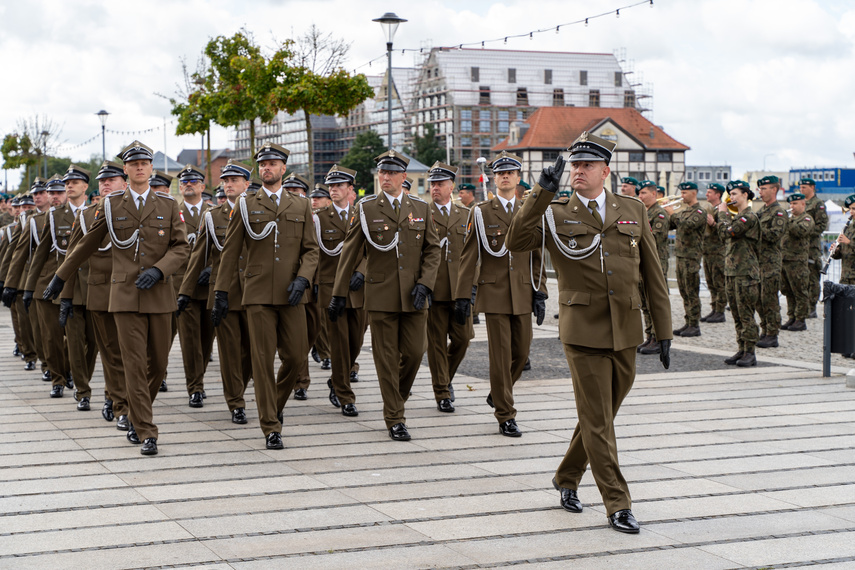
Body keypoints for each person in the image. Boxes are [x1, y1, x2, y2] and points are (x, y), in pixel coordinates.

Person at [507, 131, 671, 534]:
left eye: (587, 165)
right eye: (574, 165)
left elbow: (652, 273)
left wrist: (663, 330)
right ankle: (618, 502)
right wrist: (541, 193)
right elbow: (516, 241)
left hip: (627, 329)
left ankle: (566, 477)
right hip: (583, 331)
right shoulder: (555, 211)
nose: (578, 171)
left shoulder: (632, 208)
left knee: (599, 416)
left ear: (605, 170)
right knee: (599, 421)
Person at [45, 141, 190, 456]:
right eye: (133, 163)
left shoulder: (167, 205)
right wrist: (60, 277)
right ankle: (146, 429)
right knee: (134, 364)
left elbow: (181, 247)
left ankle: (138, 412)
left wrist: (160, 271)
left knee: (159, 364)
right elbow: (85, 244)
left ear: (151, 168)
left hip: (159, 295)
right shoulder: (110, 206)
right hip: (123, 296)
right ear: (126, 169)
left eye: (144, 163)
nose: (139, 167)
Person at [212, 142, 319, 450]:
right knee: (261, 360)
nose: (267, 168)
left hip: (292, 292)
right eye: (263, 164)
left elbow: (311, 250)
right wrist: (221, 292)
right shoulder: (246, 204)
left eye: (273, 163)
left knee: (297, 356)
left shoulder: (301, 204)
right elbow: (230, 252)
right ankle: (270, 426)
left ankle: (274, 403)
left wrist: (303, 279)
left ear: (283, 168)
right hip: (257, 293)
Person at [330, 149, 440, 441]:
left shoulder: (421, 208)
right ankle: (395, 417)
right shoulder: (366, 209)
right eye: (382, 172)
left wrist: (425, 284)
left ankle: (396, 400)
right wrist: (338, 294)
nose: (386, 177)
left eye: (391, 173)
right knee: (386, 359)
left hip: (414, 295)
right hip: (380, 296)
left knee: (416, 352)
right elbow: (349, 252)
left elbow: (432, 249)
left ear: (404, 177)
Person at [454, 150, 547, 438]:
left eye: (510, 172)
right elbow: (469, 256)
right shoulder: (481, 212)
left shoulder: (529, 210)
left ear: (518, 178)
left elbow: (537, 256)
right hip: (493, 292)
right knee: (500, 355)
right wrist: (462, 295)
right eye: (500, 172)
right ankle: (505, 414)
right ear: (494, 178)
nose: (505, 176)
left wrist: (540, 291)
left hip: (521, 292)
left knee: (521, 353)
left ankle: (498, 392)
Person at [181, 159, 253, 424]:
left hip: (255, 291)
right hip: (222, 292)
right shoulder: (212, 216)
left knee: (252, 352)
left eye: (234, 180)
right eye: (225, 180)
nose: (228, 185)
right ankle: (235, 402)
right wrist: (185, 292)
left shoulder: (260, 211)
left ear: (247, 184)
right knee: (229, 351)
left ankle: (240, 389)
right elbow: (198, 255)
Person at [63, 160, 131, 428]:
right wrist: (66, 296)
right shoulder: (87, 215)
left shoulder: (137, 211)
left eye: (111, 179)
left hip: (130, 291)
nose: (105, 184)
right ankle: (118, 402)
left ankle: (116, 397)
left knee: (132, 352)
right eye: (102, 180)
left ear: (124, 183)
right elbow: (73, 258)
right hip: (100, 291)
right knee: (111, 352)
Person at [32, 166, 98, 408]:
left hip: (93, 285)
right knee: (67, 338)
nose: (69, 185)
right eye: (67, 182)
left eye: (75, 182)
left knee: (93, 341)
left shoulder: (98, 213)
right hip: (66, 287)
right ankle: (81, 390)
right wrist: (29, 288)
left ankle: (81, 377)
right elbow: (41, 254)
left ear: (85, 187)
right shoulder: (54, 216)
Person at [316, 164, 366, 417]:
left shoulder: (363, 215)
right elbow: (313, 253)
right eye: (331, 186)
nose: (333, 189)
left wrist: (363, 271)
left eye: (339, 186)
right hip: (330, 288)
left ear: (350, 190)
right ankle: (345, 395)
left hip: (359, 289)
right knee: (339, 344)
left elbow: (374, 247)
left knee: (355, 343)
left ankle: (338, 380)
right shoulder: (320, 217)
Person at [425, 162, 472, 412]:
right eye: (432, 184)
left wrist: (472, 289)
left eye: (440, 184)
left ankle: (447, 378)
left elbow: (474, 255)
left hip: (460, 291)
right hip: (434, 291)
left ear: (451, 186)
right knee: (435, 344)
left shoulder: (466, 215)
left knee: (463, 340)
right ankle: (441, 391)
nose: (435, 188)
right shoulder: (421, 213)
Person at [24, 175, 71, 397]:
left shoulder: (80, 215)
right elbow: (34, 257)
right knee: (51, 336)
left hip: (73, 283)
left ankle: (70, 369)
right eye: (51, 193)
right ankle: (57, 379)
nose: (55, 197)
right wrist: (27, 288)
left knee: (75, 335)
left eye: (59, 192)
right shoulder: (38, 221)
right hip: (45, 284)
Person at [174, 164, 213, 408]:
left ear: (202, 186)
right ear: (180, 187)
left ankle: (199, 377)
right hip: (182, 287)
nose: (188, 184)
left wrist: (213, 270)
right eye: (184, 182)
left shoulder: (215, 212)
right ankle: (195, 387)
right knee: (189, 341)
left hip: (209, 285)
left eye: (193, 181)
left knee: (207, 341)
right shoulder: (171, 213)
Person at [4, 179, 52, 377]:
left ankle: (60, 365)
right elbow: (14, 252)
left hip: (62, 278)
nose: (37, 197)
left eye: (41, 193)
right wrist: (7, 282)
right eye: (35, 194)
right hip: (31, 279)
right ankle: (36, 358)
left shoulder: (66, 215)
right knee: (31, 324)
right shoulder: (28, 220)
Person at [716, 180, 760, 367]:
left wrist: (721, 214)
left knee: (746, 313)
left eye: (734, 194)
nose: (731, 197)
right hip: (733, 272)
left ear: (745, 195)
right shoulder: (737, 216)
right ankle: (741, 348)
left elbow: (728, 233)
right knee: (736, 312)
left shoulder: (748, 217)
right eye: (730, 194)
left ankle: (750, 352)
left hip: (745, 272)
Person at [666, 181, 706, 337]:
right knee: (684, 291)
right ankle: (688, 322)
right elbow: (671, 225)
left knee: (692, 291)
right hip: (681, 256)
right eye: (681, 193)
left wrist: (671, 213)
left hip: (691, 257)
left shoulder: (700, 212)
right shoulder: (684, 211)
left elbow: (687, 225)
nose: (681, 196)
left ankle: (695, 325)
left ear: (693, 193)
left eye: (684, 193)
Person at [636, 180, 670, 354]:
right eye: (639, 193)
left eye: (643, 193)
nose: (640, 196)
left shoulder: (660, 214)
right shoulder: (643, 213)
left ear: (654, 194)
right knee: (644, 302)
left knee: (654, 302)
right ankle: (649, 336)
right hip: (642, 263)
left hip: (656, 264)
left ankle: (658, 337)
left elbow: (654, 239)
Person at [755, 176, 788, 348]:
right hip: (758, 261)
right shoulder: (761, 211)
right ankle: (765, 329)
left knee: (769, 299)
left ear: (774, 190)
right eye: (760, 189)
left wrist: (755, 230)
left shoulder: (779, 212)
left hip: (771, 262)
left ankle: (772, 334)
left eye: (764, 189)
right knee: (758, 299)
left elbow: (775, 234)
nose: (760, 192)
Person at [781, 193, 814, 332]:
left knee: (800, 291)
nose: (792, 206)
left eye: (795, 204)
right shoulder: (791, 219)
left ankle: (801, 319)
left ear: (803, 204)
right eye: (791, 204)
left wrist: (786, 221)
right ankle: (792, 316)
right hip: (785, 259)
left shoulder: (806, 219)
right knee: (788, 291)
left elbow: (800, 231)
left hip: (797, 261)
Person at [800, 178, 828, 317]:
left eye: (804, 187)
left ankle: (811, 307)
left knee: (812, 277)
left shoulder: (818, 204)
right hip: (799, 248)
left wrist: (805, 232)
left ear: (812, 187)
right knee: (800, 278)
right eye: (800, 187)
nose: (801, 189)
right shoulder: (800, 203)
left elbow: (822, 225)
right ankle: (802, 306)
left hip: (811, 247)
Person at [701, 183, 727, 323]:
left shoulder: (723, 210)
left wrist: (713, 224)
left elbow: (727, 231)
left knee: (719, 283)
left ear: (718, 195)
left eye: (709, 192)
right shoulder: (710, 209)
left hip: (718, 252)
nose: (706, 194)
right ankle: (714, 308)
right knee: (710, 282)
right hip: (708, 251)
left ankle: (720, 310)